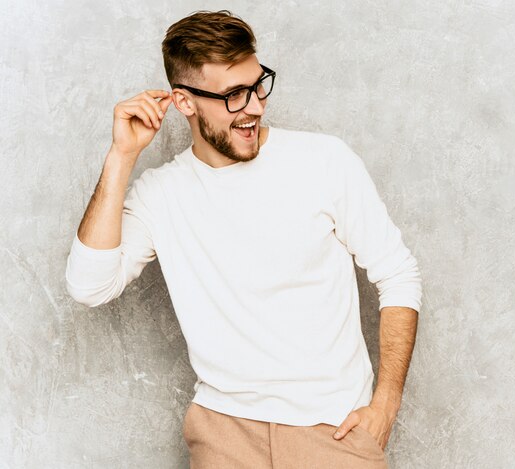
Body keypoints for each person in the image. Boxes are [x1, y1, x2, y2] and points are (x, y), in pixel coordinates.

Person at [65, 10, 422, 469]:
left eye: (258, 85)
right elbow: (88, 285)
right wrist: (121, 157)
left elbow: (398, 274)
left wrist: (385, 406)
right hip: (223, 435)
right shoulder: (161, 195)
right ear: (185, 101)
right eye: (233, 95)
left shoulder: (323, 161)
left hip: (334, 431)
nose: (254, 106)